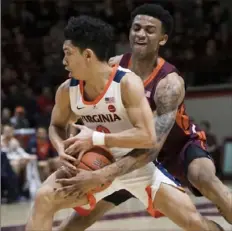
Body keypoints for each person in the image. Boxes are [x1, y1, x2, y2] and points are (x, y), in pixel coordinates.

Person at [25, 15, 223, 231]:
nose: (63, 61)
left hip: (135, 164)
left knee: (195, 224)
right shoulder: (66, 91)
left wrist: (95, 138)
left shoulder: (126, 83)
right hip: (95, 163)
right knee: (44, 198)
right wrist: (61, 147)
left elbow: (147, 137)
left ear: (88, 55)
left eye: (68, 54)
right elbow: (56, 125)